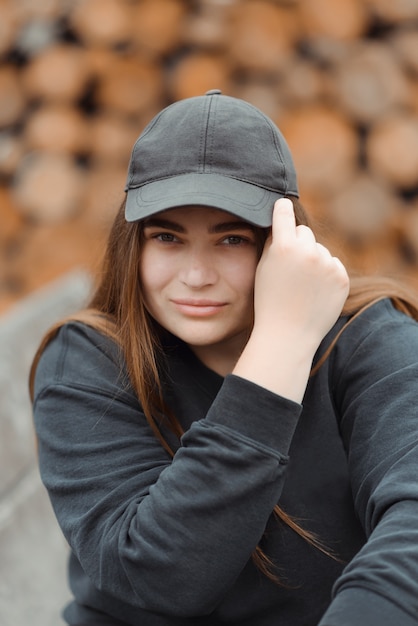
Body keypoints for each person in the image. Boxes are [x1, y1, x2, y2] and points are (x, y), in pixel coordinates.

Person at [30, 90, 418, 626]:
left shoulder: (370, 339)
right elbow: (160, 574)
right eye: (167, 237)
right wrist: (279, 342)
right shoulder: (89, 361)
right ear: (133, 246)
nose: (196, 275)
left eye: (231, 239)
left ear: (282, 244)